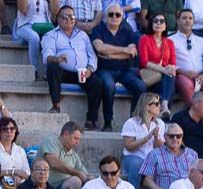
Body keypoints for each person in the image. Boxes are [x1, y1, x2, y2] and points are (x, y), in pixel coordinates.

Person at [43, 6, 103, 126]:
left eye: (72, 17)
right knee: (52, 67)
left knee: (97, 83)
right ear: (58, 19)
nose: (69, 19)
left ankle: (91, 120)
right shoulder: (51, 35)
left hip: (82, 72)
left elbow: (92, 56)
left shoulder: (83, 35)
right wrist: (57, 59)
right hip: (63, 72)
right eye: (64, 17)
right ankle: (56, 106)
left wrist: (90, 70)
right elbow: (47, 55)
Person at [91, 2, 145, 133]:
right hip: (104, 70)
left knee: (141, 87)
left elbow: (131, 53)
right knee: (109, 86)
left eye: (117, 14)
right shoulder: (99, 29)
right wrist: (124, 50)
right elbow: (100, 48)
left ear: (122, 17)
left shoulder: (127, 29)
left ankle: (133, 122)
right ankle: (108, 122)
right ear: (106, 16)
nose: (114, 17)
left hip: (124, 70)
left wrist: (110, 53)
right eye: (111, 14)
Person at [139, 122, 196, 189]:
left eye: (178, 136)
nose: (175, 139)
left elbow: (197, 176)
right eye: (171, 136)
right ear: (165, 137)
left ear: (182, 137)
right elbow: (146, 180)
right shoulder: (154, 154)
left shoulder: (192, 154)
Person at [171, 9, 203, 107]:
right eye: (184, 18)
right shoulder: (171, 40)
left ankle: (200, 111)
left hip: (201, 75)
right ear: (178, 21)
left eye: (190, 18)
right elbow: (169, 63)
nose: (187, 20)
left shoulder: (202, 40)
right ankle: (194, 112)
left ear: (193, 21)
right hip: (182, 75)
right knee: (186, 86)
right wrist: (185, 72)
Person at [39, 121, 88, 189]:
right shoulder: (51, 141)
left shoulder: (73, 154)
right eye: (75, 138)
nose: (77, 142)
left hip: (63, 188)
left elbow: (84, 174)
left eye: (79, 139)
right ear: (66, 134)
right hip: (46, 187)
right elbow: (53, 162)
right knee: (76, 181)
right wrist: (77, 173)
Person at [139, 12, 177, 113]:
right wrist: (163, 69)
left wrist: (169, 69)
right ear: (151, 24)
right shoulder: (145, 39)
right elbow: (144, 62)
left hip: (164, 78)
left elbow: (173, 62)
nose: (158, 23)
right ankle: (165, 109)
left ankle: (164, 106)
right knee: (170, 81)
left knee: (170, 76)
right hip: (150, 77)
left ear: (165, 26)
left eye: (162, 21)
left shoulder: (169, 42)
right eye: (155, 21)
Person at [0, 116, 30, 189]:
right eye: (5, 129)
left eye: (12, 128)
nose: (9, 131)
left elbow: (27, 172)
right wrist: (14, 172)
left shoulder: (20, 150)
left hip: (21, 185)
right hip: (2, 187)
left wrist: (20, 177)